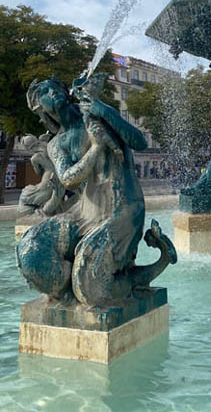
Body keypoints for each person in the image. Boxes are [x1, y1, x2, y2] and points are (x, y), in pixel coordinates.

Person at [16, 76, 176, 307]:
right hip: (85, 212)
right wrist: (96, 148)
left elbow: (139, 142)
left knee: (91, 289)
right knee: (32, 247)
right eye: (46, 95)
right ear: (42, 109)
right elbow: (68, 179)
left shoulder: (96, 112)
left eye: (54, 89)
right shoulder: (56, 143)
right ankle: (66, 292)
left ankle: (158, 262)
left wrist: (103, 109)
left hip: (121, 207)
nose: (53, 94)